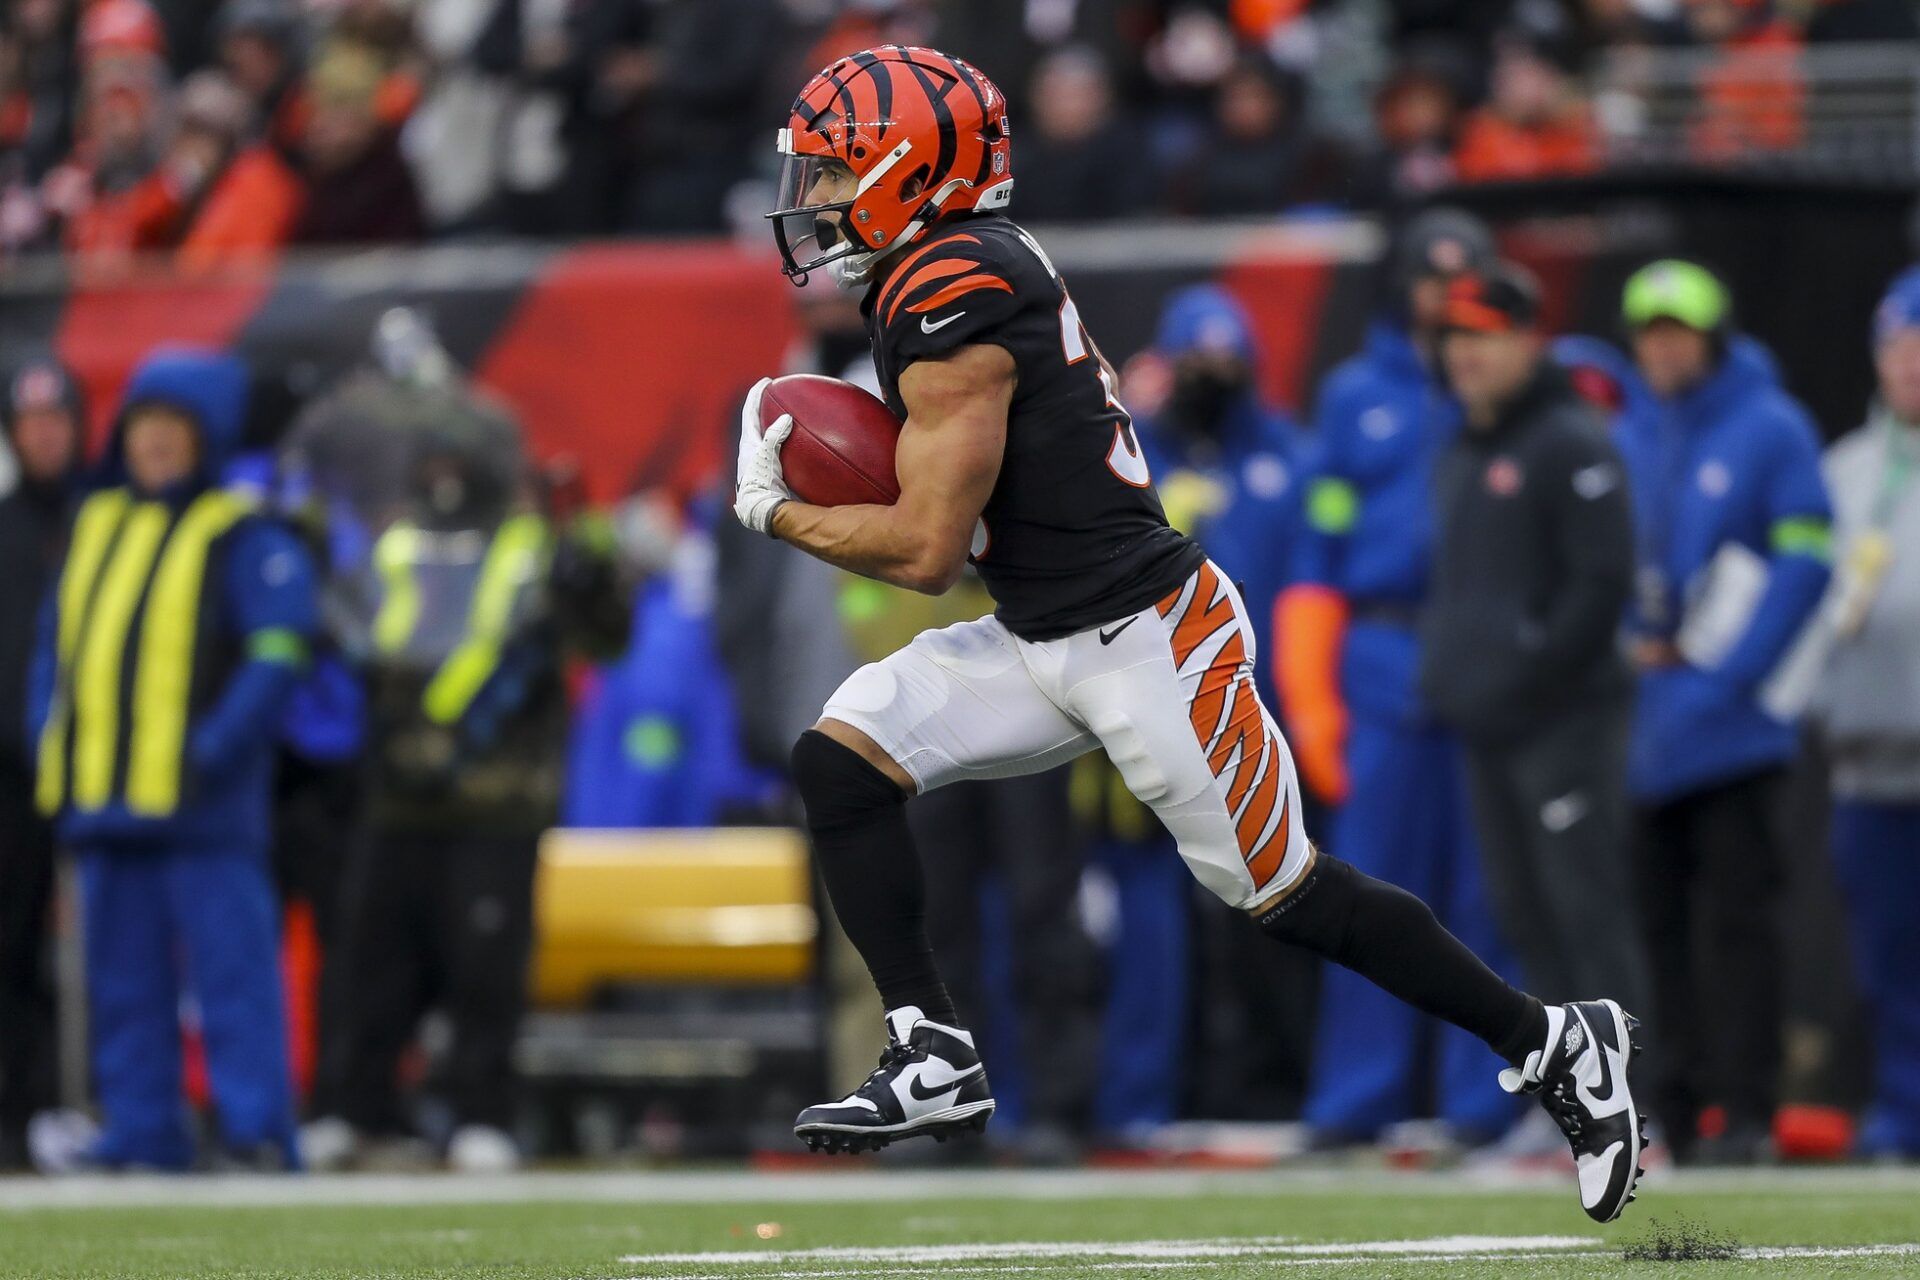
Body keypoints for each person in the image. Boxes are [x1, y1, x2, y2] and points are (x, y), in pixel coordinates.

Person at [744, 45, 1646, 1223]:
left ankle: (1559, 1041)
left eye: (830, 172)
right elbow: (964, 545)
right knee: (841, 755)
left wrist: (779, 507)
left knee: (1283, 890)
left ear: (906, 172)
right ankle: (931, 1049)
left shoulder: (949, 287)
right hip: (1040, 630)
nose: (810, 201)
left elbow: (922, 550)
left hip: (1148, 639)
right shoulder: (941, 272)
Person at [300, 319, 628, 1173]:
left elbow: (605, 635)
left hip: (498, 798)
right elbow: (352, 637)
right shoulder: (397, 547)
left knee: (485, 967)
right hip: (397, 793)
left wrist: (591, 579)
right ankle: (356, 1108)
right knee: (371, 966)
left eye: (457, 462)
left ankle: (484, 1111)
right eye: (431, 462)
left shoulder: (531, 545)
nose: (443, 475)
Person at [29, 347, 316, 1170]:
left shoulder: (241, 533)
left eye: (172, 429)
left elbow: (276, 654)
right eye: (143, 426)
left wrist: (216, 747)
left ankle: (257, 1129)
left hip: (203, 805)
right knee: (120, 984)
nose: (154, 444)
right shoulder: (99, 525)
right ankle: (142, 1128)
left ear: (209, 438)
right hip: (106, 798)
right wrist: (50, 734)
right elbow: (58, 647)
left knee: (233, 980)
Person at [1275, 208, 1520, 1151]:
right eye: (1432, 280)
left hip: (1481, 650)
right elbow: (1318, 545)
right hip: (1380, 656)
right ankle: (1354, 1098)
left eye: (1463, 281)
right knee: (1369, 896)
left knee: (1485, 895)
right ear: (1405, 286)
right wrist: (1313, 695)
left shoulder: (1503, 383)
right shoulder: (1355, 397)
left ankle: (1482, 1101)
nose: (1445, 300)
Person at [1611, 259, 1832, 1165]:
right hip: (1643, 725)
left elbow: (1807, 556)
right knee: (1651, 928)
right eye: (1650, 331)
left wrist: (1730, 670)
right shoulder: (1630, 429)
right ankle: (1671, 1099)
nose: (1663, 346)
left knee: (1740, 926)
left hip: (1734, 730)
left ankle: (1744, 1109)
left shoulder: (1770, 425)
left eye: (1680, 330)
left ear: (1713, 334)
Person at [1422, 265, 1646, 1019]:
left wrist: (1532, 669)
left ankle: (1632, 1111)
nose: (1464, 353)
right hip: (1491, 726)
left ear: (1528, 341)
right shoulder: (1463, 450)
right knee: (1522, 918)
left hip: (1564, 723)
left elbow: (1601, 583)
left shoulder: (1571, 441)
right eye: (1453, 336)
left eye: (1482, 336)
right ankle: (1564, 1111)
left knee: (1586, 911)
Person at [1815, 266, 1920, 1160]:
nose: (1913, 361)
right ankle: (1902, 1111)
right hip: (1865, 759)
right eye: (1900, 341)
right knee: (1885, 959)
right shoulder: (1845, 472)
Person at [0, 358, 83, 1170]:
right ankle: (18, 1117)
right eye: (31, 422)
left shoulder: (106, 522)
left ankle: (90, 1111)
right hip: (10, 777)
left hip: (104, 772)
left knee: (114, 958)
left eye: (58, 418)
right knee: (12, 951)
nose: (46, 434)